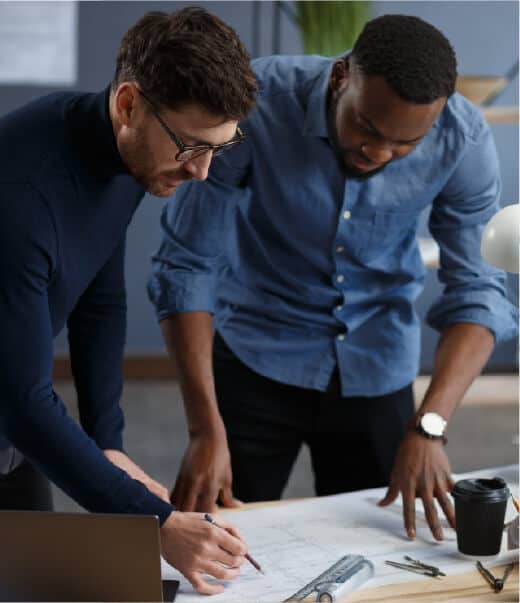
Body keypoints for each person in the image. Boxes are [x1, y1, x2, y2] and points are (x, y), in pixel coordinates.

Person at [148, 14, 518, 541]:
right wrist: (203, 429)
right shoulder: (258, 103)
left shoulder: (461, 136)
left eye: (403, 145)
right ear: (342, 76)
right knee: (218, 541)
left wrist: (430, 425)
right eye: (367, 128)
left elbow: (479, 292)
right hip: (256, 352)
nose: (379, 153)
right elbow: (186, 264)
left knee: (384, 550)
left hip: (377, 362)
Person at [0, 7, 257, 595]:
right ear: (128, 105)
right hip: (15, 412)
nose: (202, 171)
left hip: (14, 438)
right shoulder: (21, 196)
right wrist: (158, 521)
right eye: (192, 146)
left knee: (33, 583)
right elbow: (22, 400)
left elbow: (100, 298)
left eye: (221, 145)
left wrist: (107, 441)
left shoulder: (124, 153)